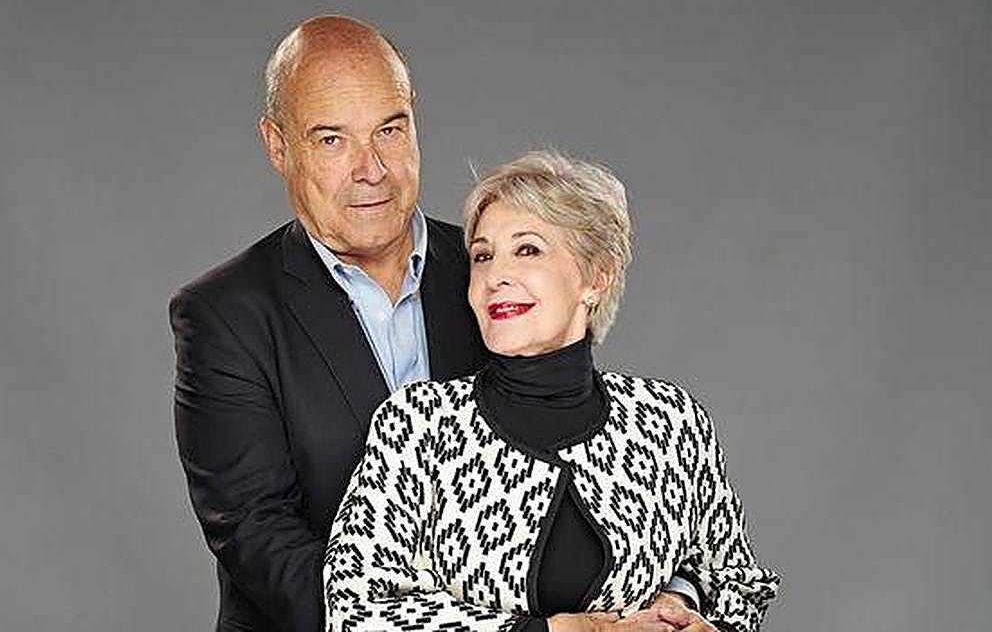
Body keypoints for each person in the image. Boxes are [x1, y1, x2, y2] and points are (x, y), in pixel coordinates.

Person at [324, 150, 781, 632]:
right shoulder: (420, 424)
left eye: (527, 250)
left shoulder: (669, 421)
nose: (495, 276)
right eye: (483, 256)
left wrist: (698, 617)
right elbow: (355, 609)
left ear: (596, 277)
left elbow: (738, 583)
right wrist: (554, 631)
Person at [169, 16, 487, 632]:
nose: (372, 169)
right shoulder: (224, 316)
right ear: (278, 146)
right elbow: (258, 532)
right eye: (332, 140)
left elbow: (569, 458)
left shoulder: (491, 274)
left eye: (389, 130)